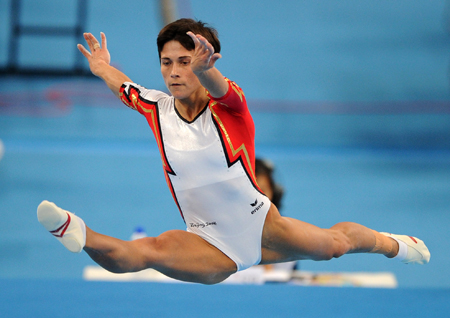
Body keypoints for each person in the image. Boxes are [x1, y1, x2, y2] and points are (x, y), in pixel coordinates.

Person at [37, 18, 430, 285]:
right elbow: (123, 86)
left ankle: (394, 244)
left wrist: (207, 68)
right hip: (209, 244)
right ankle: (78, 232)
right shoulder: (156, 108)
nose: (173, 72)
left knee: (336, 246)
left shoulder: (230, 107)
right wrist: (102, 66)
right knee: (145, 253)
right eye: (166, 63)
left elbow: (219, 85)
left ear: (205, 61)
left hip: (262, 226)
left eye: (184, 62)